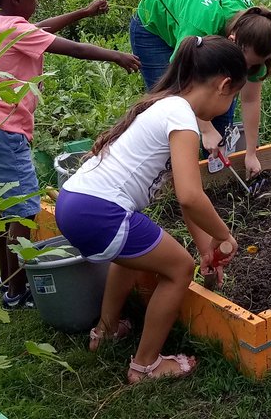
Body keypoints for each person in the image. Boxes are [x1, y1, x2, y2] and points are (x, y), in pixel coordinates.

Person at [55, 36, 247, 382]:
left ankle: (107, 330)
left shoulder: (167, 105)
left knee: (135, 251)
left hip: (73, 202)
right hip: (100, 211)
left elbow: (181, 191)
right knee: (179, 268)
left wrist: (207, 248)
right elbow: (191, 196)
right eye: (233, 97)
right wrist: (225, 236)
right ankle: (145, 365)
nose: (229, 104)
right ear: (224, 85)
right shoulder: (183, 118)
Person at [0, 0, 141, 310]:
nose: (37, 2)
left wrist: (83, 13)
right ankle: (16, 292)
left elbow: (39, 28)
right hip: (5, 133)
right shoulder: (15, 28)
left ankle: (8, 278)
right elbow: (73, 49)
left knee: (2, 209)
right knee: (23, 213)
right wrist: (116, 56)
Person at [130, 0, 271, 176]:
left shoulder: (257, 39)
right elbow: (180, 82)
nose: (247, 69)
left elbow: (250, 99)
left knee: (220, 101)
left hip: (197, 17)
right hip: (154, 25)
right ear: (232, 41)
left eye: (254, 65)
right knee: (169, 103)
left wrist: (251, 153)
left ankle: (211, 174)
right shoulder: (202, 27)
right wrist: (206, 130)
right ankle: (171, 174)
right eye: (245, 63)